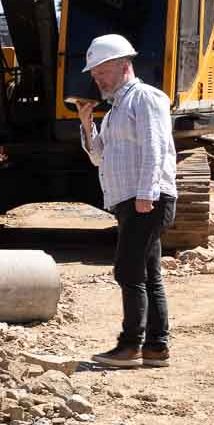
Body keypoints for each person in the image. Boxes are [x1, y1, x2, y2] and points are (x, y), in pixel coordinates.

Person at [76, 33, 178, 369]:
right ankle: (156, 348)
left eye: (102, 71)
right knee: (148, 272)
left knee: (128, 270)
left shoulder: (146, 98)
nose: (97, 78)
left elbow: (155, 148)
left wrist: (147, 195)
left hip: (146, 197)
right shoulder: (116, 109)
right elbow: (97, 156)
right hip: (129, 199)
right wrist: (87, 122)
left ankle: (131, 346)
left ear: (124, 65)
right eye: (94, 74)